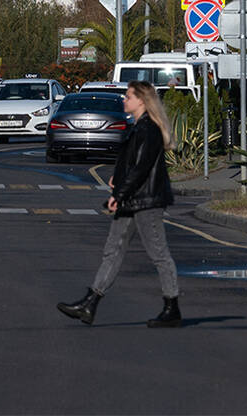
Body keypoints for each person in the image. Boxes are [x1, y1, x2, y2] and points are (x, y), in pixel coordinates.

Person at [57, 81, 180, 328]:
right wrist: (118, 179)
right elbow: (132, 163)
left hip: (146, 200)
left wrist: (119, 193)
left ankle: (172, 308)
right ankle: (90, 303)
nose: (124, 100)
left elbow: (142, 168)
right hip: (132, 198)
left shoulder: (149, 129)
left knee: (159, 254)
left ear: (142, 101)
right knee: (112, 250)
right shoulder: (139, 127)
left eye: (129, 96)